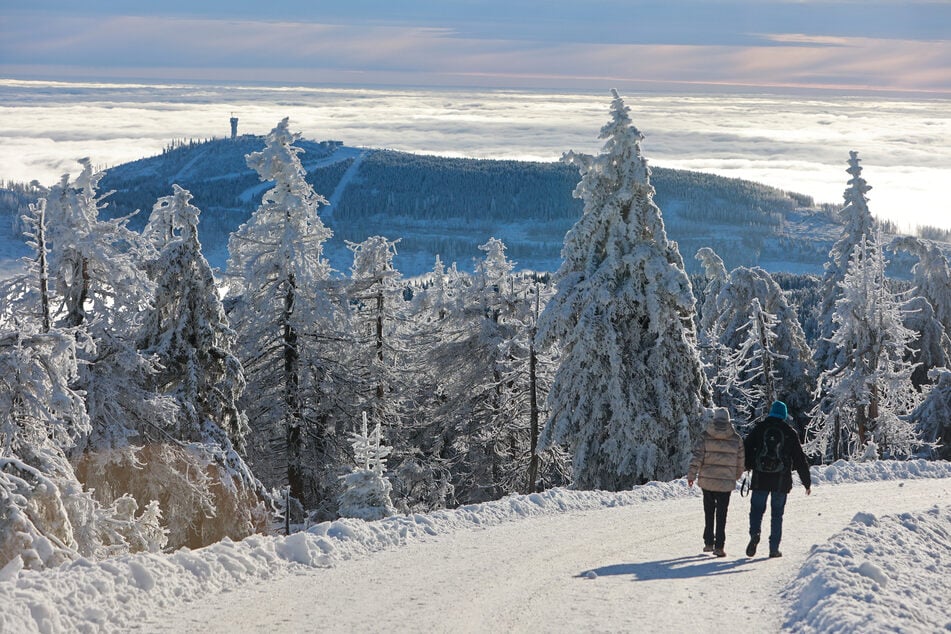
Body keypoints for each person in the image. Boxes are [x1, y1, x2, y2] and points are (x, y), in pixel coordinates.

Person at [743, 400, 812, 558]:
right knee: (777, 514)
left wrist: (748, 465)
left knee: (756, 510)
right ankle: (774, 548)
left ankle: (755, 534)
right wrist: (806, 483)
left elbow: (746, 447)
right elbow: (800, 459)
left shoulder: (760, 428)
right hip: (781, 480)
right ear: (784, 414)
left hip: (760, 478)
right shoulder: (789, 432)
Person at [686, 407, 745, 557]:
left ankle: (708, 543)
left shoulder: (705, 436)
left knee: (709, 511)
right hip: (725, 483)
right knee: (722, 514)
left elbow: (697, 457)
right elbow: (740, 461)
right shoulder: (736, 438)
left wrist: (692, 475)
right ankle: (719, 546)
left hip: (708, 481)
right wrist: (735, 476)